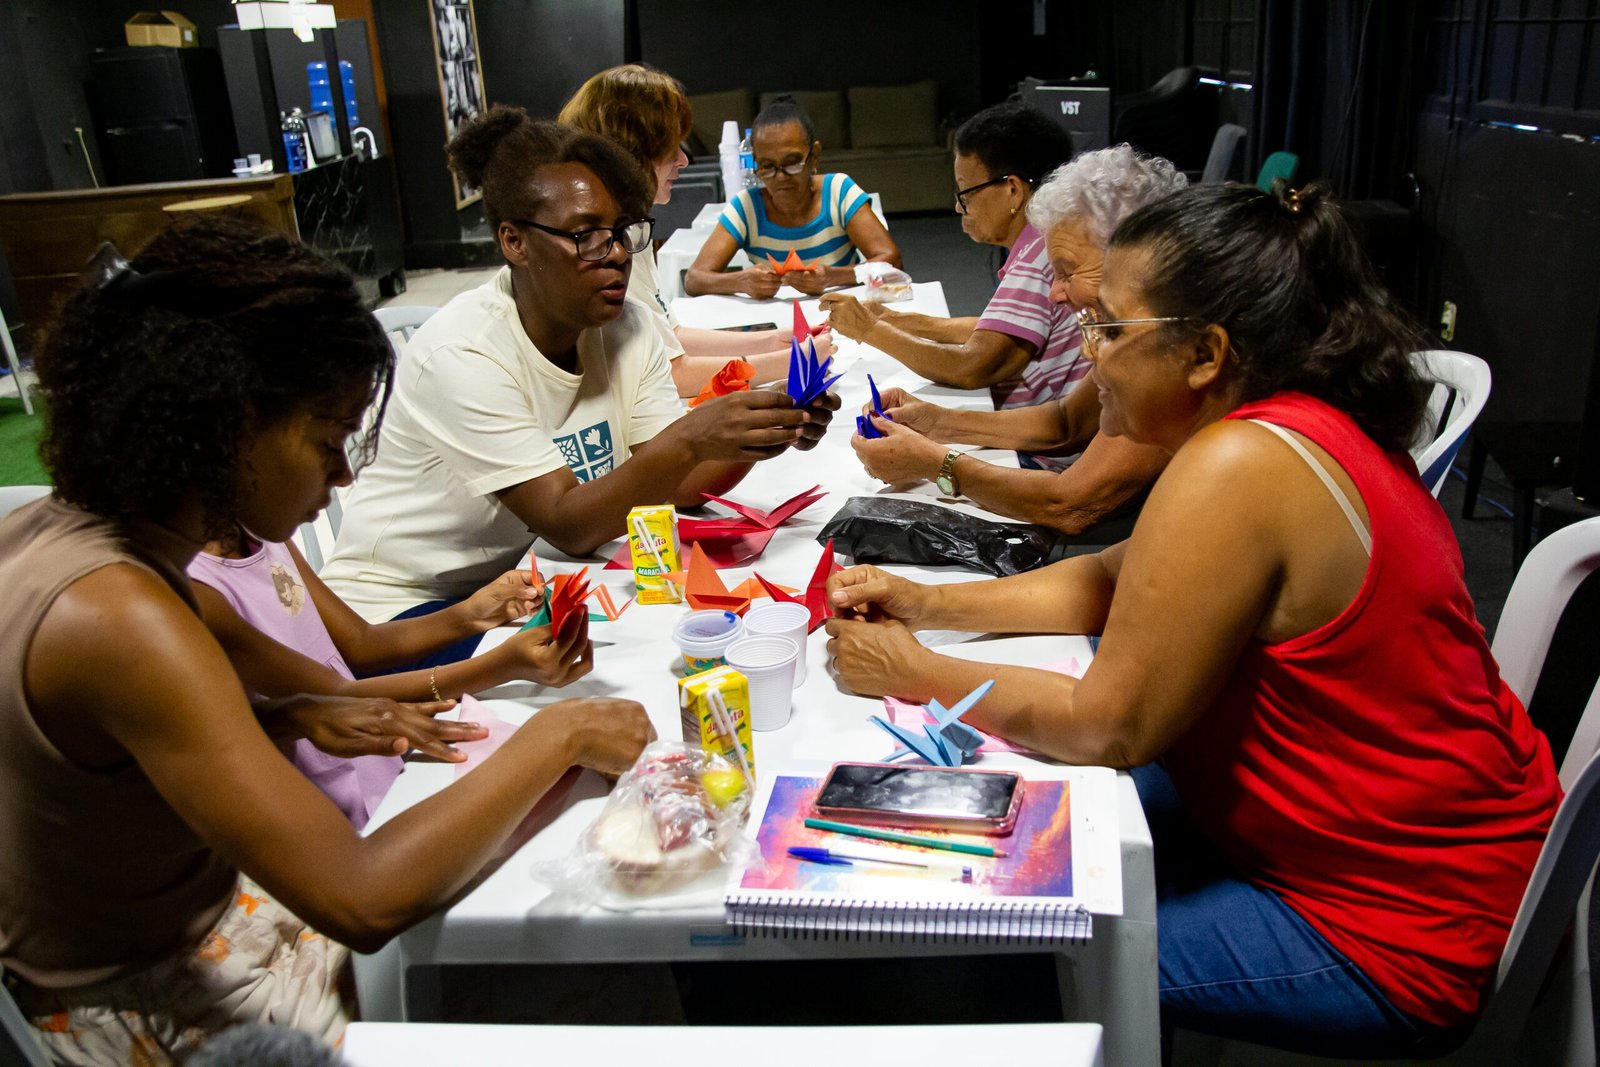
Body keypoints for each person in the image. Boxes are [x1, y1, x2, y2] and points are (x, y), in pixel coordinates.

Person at [823, 182, 1561, 1055]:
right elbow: (1102, 578)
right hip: (1423, 848)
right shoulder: (1302, 421)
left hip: (1393, 923)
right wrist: (928, 603)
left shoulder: (1238, 466)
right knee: (1022, 822)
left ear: (1206, 352)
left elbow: (1108, 723)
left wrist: (914, 670)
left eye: (1109, 328)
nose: (1089, 355)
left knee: (990, 945)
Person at [0, 217, 653, 1064]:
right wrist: (558, 731)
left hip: (202, 920)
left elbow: (102, 772)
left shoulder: (64, 530)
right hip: (153, 994)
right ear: (227, 426)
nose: (344, 476)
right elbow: (362, 900)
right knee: (561, 968)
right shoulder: (121, 616)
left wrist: (289, 716)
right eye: (327, 442)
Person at [321, 107, 836, 638]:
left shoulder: (626, 327)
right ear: (514, 241)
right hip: (403, 610)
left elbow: (672, 486)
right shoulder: (463, 354)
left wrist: (765, 429)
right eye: (585, 235)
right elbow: (568, 523)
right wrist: (692, 436)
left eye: (621, 231)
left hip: (524, 581)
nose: (614, 254)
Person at [850, 146, 1184, 539]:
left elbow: (1071, 504)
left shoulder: (1166, 355)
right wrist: (936, 421)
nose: (1055, 294)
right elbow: (1066, 422)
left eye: (1067, 272)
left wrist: (936, 464)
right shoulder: (1125, 333)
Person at [189, 528, 591, 828]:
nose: (345, 474)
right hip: (323, 806)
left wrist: (473, 614)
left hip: (378, 766)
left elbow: (361, 643)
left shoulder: (264, 533)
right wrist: (500, 666)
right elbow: (335, 696)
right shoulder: (196, 588)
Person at [558, 64, 837, 396]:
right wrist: (790, 361)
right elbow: (670, 375)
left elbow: (669, 336)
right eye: (670, 148)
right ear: (632, 152)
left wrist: (771, 340)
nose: (683, 160)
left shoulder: (627, 224)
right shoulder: (604, 243)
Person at [820, 100, 1084, 444]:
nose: (958, 206)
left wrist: (871, 329)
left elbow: (972, 366)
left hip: (1033, 455)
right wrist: (890, 318)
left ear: (1013, 190)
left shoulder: (1039, 255)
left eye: (966, 192)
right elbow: (992, 330)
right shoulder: (1042, 241)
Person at [684, 94, 901, 297]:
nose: (780, 177)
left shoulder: (838, 191)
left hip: (839, 315)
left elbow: (892, 261)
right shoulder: (747, 206)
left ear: (814, 156)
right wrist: (742, 281)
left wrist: (833, 277)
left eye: (792, 163)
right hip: (774, 331)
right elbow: (694, 279)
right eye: (767, 166)